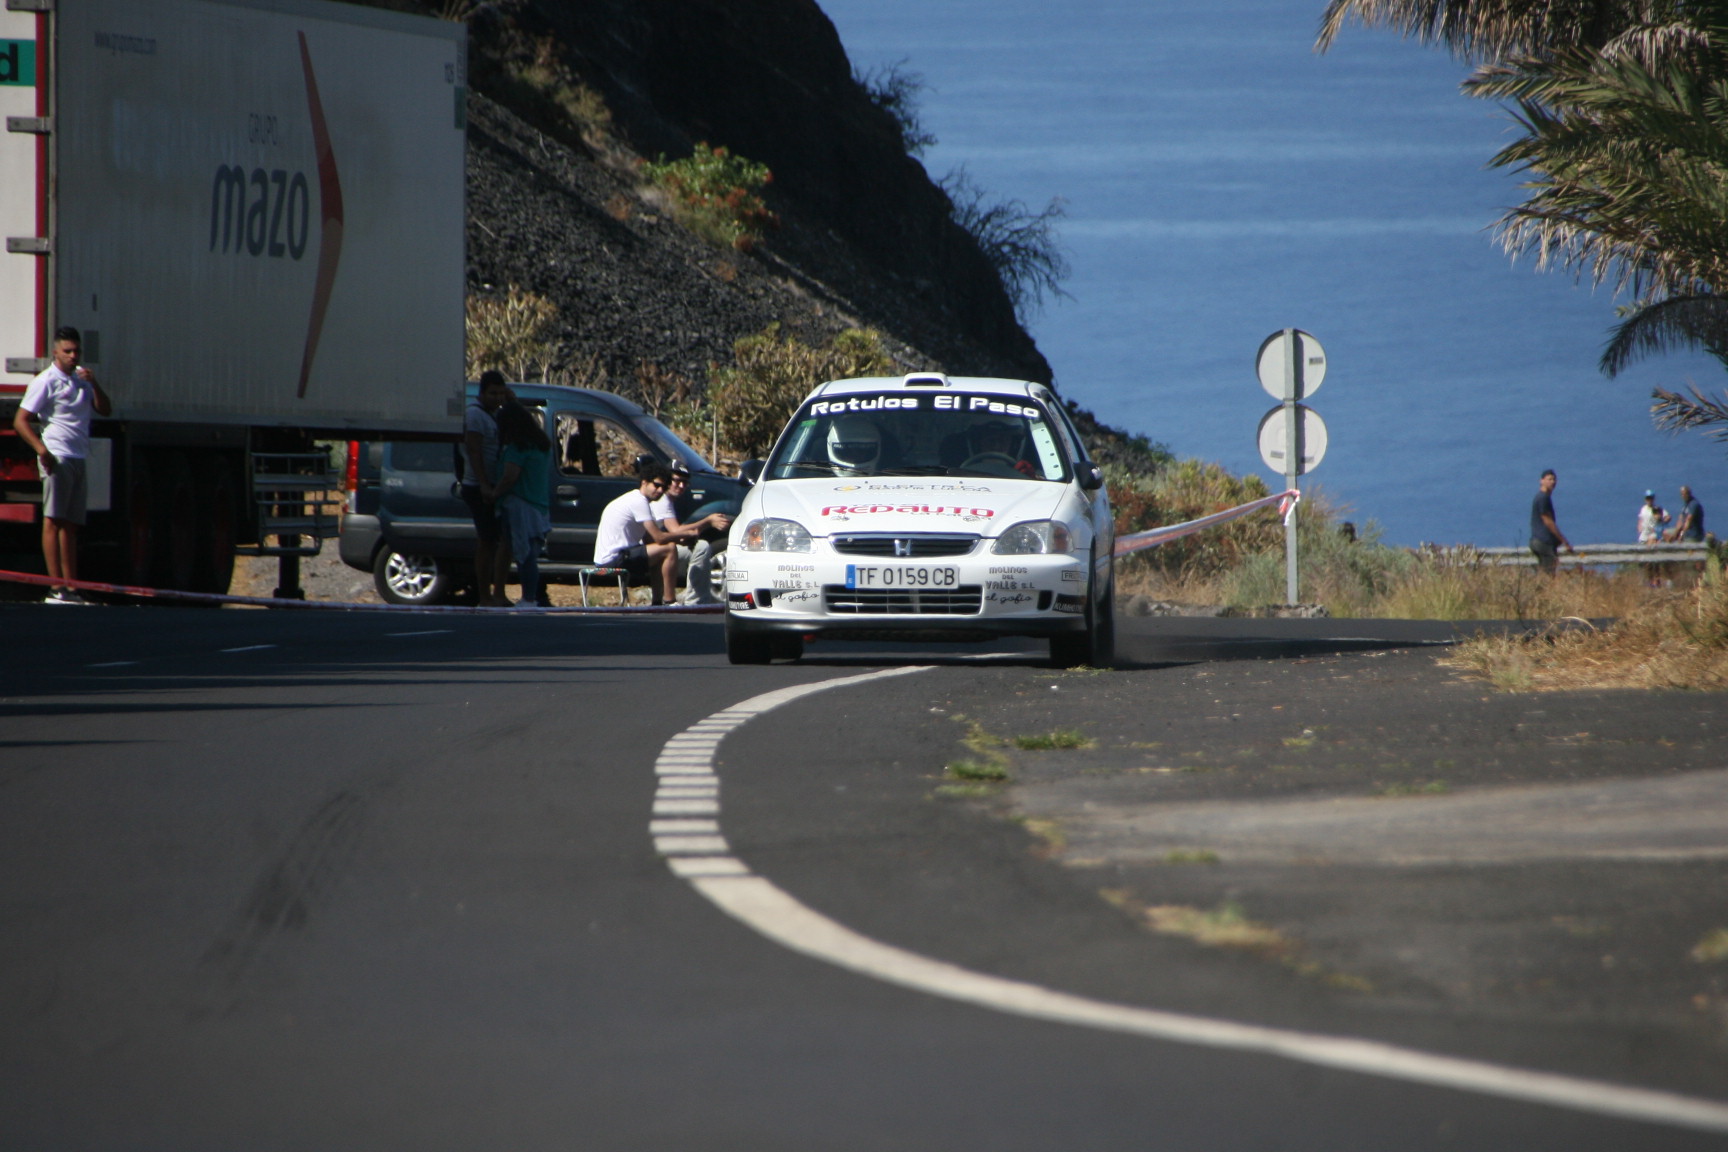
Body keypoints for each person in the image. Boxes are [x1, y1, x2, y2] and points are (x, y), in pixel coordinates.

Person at [12, 326, 112, 603]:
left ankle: (72, 585)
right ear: (55, 352)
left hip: (78, 455)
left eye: (76, 351)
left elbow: (105, 409)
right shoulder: (46, 381)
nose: (72, 356)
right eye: (67, 351)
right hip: (57, 454)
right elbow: (21, 420)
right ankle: (55, 586)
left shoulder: (82, 380)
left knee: (71, 524)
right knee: (53, 520)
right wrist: (41, 449)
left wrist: (94, 383)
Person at [490, 402, 553, 608]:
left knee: (524, 555)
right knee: (529, 554)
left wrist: (494, 494)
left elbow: (510, 476)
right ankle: (530, 596)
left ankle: (528, 598)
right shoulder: (540, 445)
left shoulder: (518, 448)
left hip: (520, 506)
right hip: (538, 507)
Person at [594, 463, 680, 604]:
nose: (660, 490)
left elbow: (650, 539)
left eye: (664, 488)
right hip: (613, 559)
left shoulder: (634, 499)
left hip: (610, 558)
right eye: (657, 485)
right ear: (644, 482)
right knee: (669, 548)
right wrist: (687, 534)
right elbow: (659, 537)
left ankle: (657, 602)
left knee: (660, 552)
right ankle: (670, 601)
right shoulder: (639, 501)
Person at [461, 371, 512, 606]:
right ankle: (484, 595)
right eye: (492, 393)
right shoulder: (475, 415)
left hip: (495, 485)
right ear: (481, 393)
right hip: (478, 485)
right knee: (487, 540)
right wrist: (483, 484)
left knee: (502, 540)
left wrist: (510, 399)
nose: (497, 398)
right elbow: (474, 450)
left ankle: (498, 592)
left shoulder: (496, 414)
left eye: (501, 393)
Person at [653, 465, 733, 605]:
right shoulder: (662, 500)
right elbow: (676, 531)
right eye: (677, 481)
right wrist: (707, 521)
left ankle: (696, 600)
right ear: (667, 480)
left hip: (659, 548)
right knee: (701, 547)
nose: (681, 486)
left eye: (685, 482)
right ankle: (695, 602)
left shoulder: (667, 501)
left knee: (699, 547)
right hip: (650, 550)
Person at [1529, 468, 1571, 575]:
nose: (1552, 482)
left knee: (1543, 571)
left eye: (1554, 479)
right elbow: (1548, 521)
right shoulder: (1543, 498)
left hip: (1537, 540)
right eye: (1549, 479)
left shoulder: (1543, 497)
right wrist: (1564, 540)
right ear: (1541, 481)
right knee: (1549, 573)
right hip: (1543, 541)